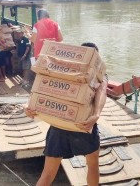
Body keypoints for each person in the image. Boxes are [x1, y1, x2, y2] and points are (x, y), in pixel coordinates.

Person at [25, 42, 107, 186]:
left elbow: (44, 88)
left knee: (48, 173)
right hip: (83, 124)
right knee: (92, 165)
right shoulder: (99, 72)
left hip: (59, 125)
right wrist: (96, 114)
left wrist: (29, 106)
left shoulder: (66, 69)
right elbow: (102, 91)